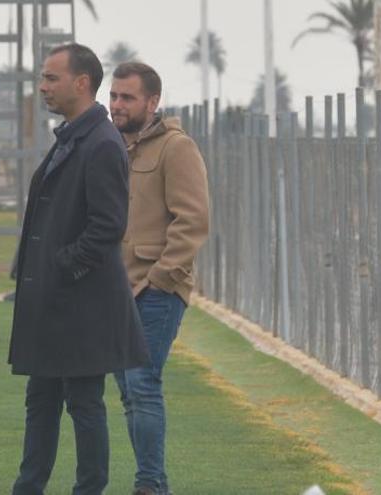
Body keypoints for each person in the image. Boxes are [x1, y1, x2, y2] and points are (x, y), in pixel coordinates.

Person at [8, 43, 148, 495]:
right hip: (55, 302)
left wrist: (61, 267)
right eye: (43, 78)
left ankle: (89, 489)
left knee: (85, 405)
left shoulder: (102, 143)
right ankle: (27, 487)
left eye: (51, 78)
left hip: (81, 304)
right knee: (41, 400)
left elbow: (107, 226)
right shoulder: (73, 136)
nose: (43, 86)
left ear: (81, 83)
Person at [109, 62, 210, 495]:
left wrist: (161, 278)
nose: (116, 105)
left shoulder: (176, 147)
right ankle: (154, 483)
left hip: (155, 290)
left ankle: (149, 484)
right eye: (113, 96)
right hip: (112, 289)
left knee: (142, 383)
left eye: (127, 97)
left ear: (153, 102)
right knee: (129, 392)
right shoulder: (110, 146)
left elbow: (193, 220)